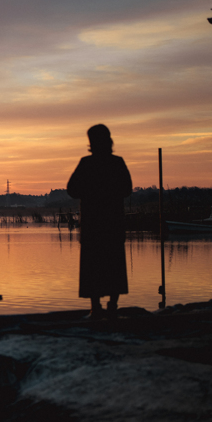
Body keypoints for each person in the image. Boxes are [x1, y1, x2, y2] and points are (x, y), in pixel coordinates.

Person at [66, 124, 132, 319]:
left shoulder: (86, 164)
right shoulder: (117, 163)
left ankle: (96, 308)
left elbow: (72, 190)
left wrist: (91, 192)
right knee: (113, 264)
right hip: (111, 223)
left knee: (93, 265)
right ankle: (111, 306)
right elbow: (127, 189)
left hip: (94, 225)